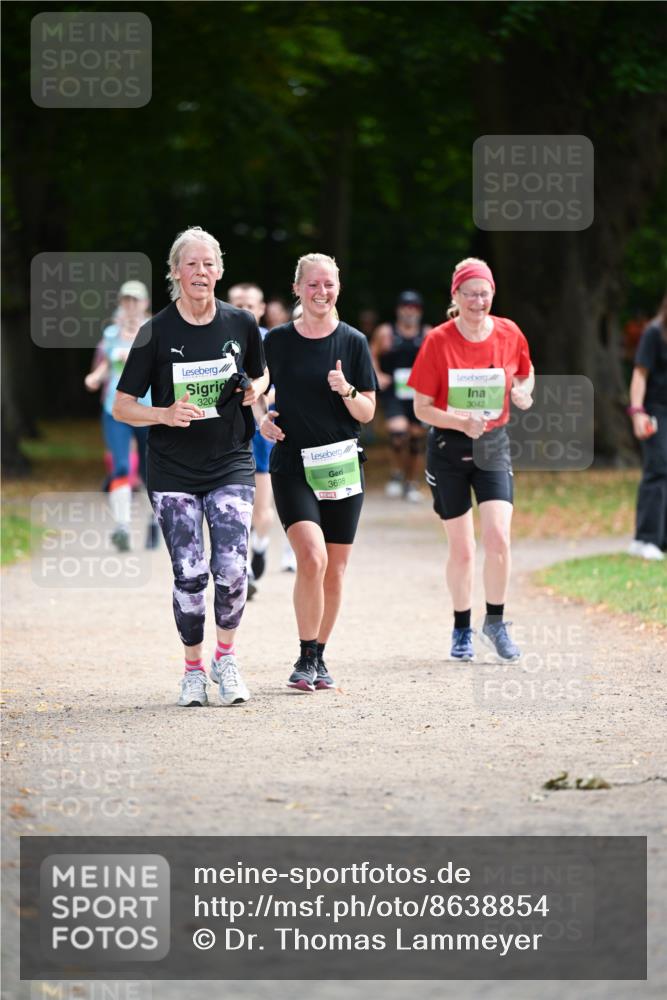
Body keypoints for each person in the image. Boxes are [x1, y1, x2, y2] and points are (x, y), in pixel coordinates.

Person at [113, 227, 269, 707]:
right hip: (173, 469)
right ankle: (193, 670)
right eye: (192, 264)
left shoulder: (240, 323)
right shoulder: (155, 331)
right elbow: (121, 406)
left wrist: (254, 390)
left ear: (219, 271)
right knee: (189, 573)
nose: (201, 272)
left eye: (209, 264)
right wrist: (162, 413)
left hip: (230, 462)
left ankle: (227, 658)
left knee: (232, 568)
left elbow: (261, 376)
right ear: (176, 272)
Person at [259, 252, 377, 692]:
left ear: (338, 288)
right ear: (297, 289)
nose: (321, 292)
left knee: (335, 570)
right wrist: (261, 419)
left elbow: (366, 410)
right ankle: (305, 656)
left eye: (328, 284)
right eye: (312, 284)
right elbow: (256, 388)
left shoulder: (353, 342)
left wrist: (345, 389)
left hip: (341, 466)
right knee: (311, 556)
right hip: (292, 463)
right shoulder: (277, 341)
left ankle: (320, 657)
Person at [409, 257, 534, 662]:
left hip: (493, 446)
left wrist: (522, 392)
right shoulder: (438, 341)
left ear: (492, 294)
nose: (478, 301)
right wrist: (461, 421)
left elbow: (525, 374)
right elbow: (422, 408)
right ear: (456, 296)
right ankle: (461, 626)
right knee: (462, 549)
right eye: (471, 293)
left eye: (485, 293)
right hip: (448, 450)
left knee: (498, 537)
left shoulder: (509, 332)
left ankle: (495, 622)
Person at [84, 281, 157, 550]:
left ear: (145, 303)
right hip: (114, 409)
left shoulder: (154, 331)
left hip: (148, 410)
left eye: (135, 300)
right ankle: (122, 527)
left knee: (152, 472)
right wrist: (94, 377)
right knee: (122, 467)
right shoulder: (112, 332)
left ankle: (154, 522)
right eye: (126, 300)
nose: (130, 305)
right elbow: (105, 364)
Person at [371, 291, 431, 502]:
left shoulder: (426, 333)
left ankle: (410, 482)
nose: (409, 311)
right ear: (398, 309)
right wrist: (377, 374)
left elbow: (436, 360)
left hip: (417, 392)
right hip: (393, 391)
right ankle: (396, 472)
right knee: (398, 434)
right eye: (405, 306)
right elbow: (371, 353)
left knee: (415, 439)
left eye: (414, 307)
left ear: (420, 311)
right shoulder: (386, 332)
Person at [627, 295, 667, 561]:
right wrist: (637, 412)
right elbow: (640, 374)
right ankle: (645, 538)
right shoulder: (654, 333)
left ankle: (660, 540)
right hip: (655, 410)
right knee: (658, 468)